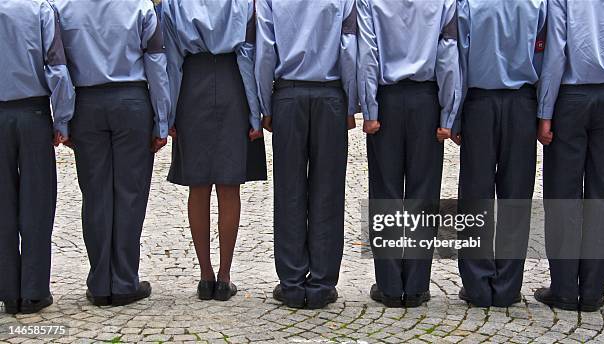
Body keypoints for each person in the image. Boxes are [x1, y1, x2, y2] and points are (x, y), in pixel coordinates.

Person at [54, 0, 170, 306]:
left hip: (87, 105)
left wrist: (63, 118)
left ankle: (100, 281)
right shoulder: (141, 7)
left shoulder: (62, 8)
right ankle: (124, 280)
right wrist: (161, 119)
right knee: (130, 195)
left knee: (95, 194)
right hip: (131, 102)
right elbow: (156, 65)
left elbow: (59, 68)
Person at [357, 0, 461, 308]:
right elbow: (447, 59)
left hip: (387, 102)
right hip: (426, 101)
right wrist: (447, 115)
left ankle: (389, 286)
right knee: (423, 194)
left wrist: (370, 109)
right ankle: (416, 286)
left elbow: (368, 56)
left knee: (385, 194)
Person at [256, 0, 358, 309]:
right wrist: (352, 103)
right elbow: (349, 50)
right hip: (329, 95)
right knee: (327, 190)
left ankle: (291, 282)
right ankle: (322, 283)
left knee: (289, 191)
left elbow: (265, 51)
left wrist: (265, 104)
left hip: (288, 95)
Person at [162, 0, 266, 301]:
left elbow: (170, 61)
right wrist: (254, 110)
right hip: (233, 82)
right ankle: (224, 277)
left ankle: (204, 276)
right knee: (229, 183)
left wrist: (167, 115)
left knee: (198, 184)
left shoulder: (173, 4)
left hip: (192, 84)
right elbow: (247, 57)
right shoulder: (243, 3)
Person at [454, 0, 547, 307]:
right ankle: (508, 286)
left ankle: (477, 285)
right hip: (522, 103)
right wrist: (544, 110)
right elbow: (544, 56)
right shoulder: (537, 4)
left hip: (479, 102)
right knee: (516, 197)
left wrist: (453, 115)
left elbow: (459, 60)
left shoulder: (468, 3)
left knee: (474, 197)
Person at [535, 0, 604, 313]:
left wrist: (545, 111)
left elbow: (555, 52)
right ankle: (593, 291)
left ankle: (565, 289)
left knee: (563, 195)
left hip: (571, 97)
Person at [0, 0, 75, 315]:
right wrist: (63, 119)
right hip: (32, 112)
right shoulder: (41, 10)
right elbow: (56, 67)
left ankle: (7, 289)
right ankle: (33, 291)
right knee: (37, 202)